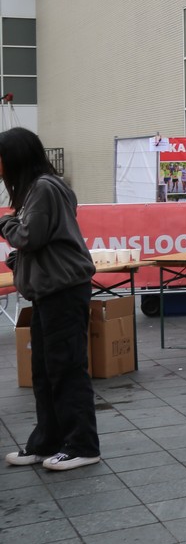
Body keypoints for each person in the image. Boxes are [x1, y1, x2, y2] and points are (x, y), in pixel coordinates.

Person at [0, 128, 101, 472]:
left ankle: (82, 445)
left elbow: (30, 236)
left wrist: (6, 224)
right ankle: (47, 442)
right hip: (51, 289)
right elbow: (44, 241)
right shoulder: (38, 188)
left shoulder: (43, 188)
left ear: (15, 157)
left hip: (63, 290)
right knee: (44, 371)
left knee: (66, 368)